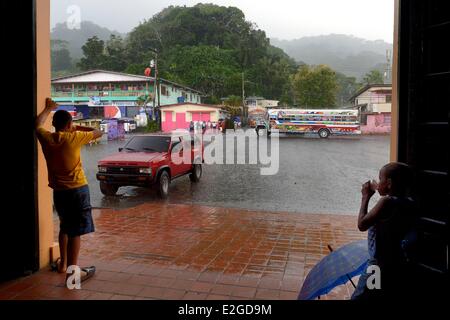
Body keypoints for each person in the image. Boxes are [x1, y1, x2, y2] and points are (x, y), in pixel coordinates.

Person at [35, 98, 103, 285]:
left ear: (54, 125)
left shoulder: (46, 138)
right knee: (76, 233)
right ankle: (72, 275)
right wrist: (78, 128)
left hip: (59, 191)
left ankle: (64, 265)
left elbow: (38, 123)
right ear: (69, 124)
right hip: (78, 190)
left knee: (65, 226)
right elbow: (99, 132)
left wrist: (48, 109)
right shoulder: (74, 137)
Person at [351, 162, 417, 300]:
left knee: (360, 296)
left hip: (378, 265)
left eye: (380, 179)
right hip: (398, 262)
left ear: (389, 183)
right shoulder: (409, 202)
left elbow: (362, 225)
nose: (378, 182)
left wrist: (365, 197)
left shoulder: (386, 202)